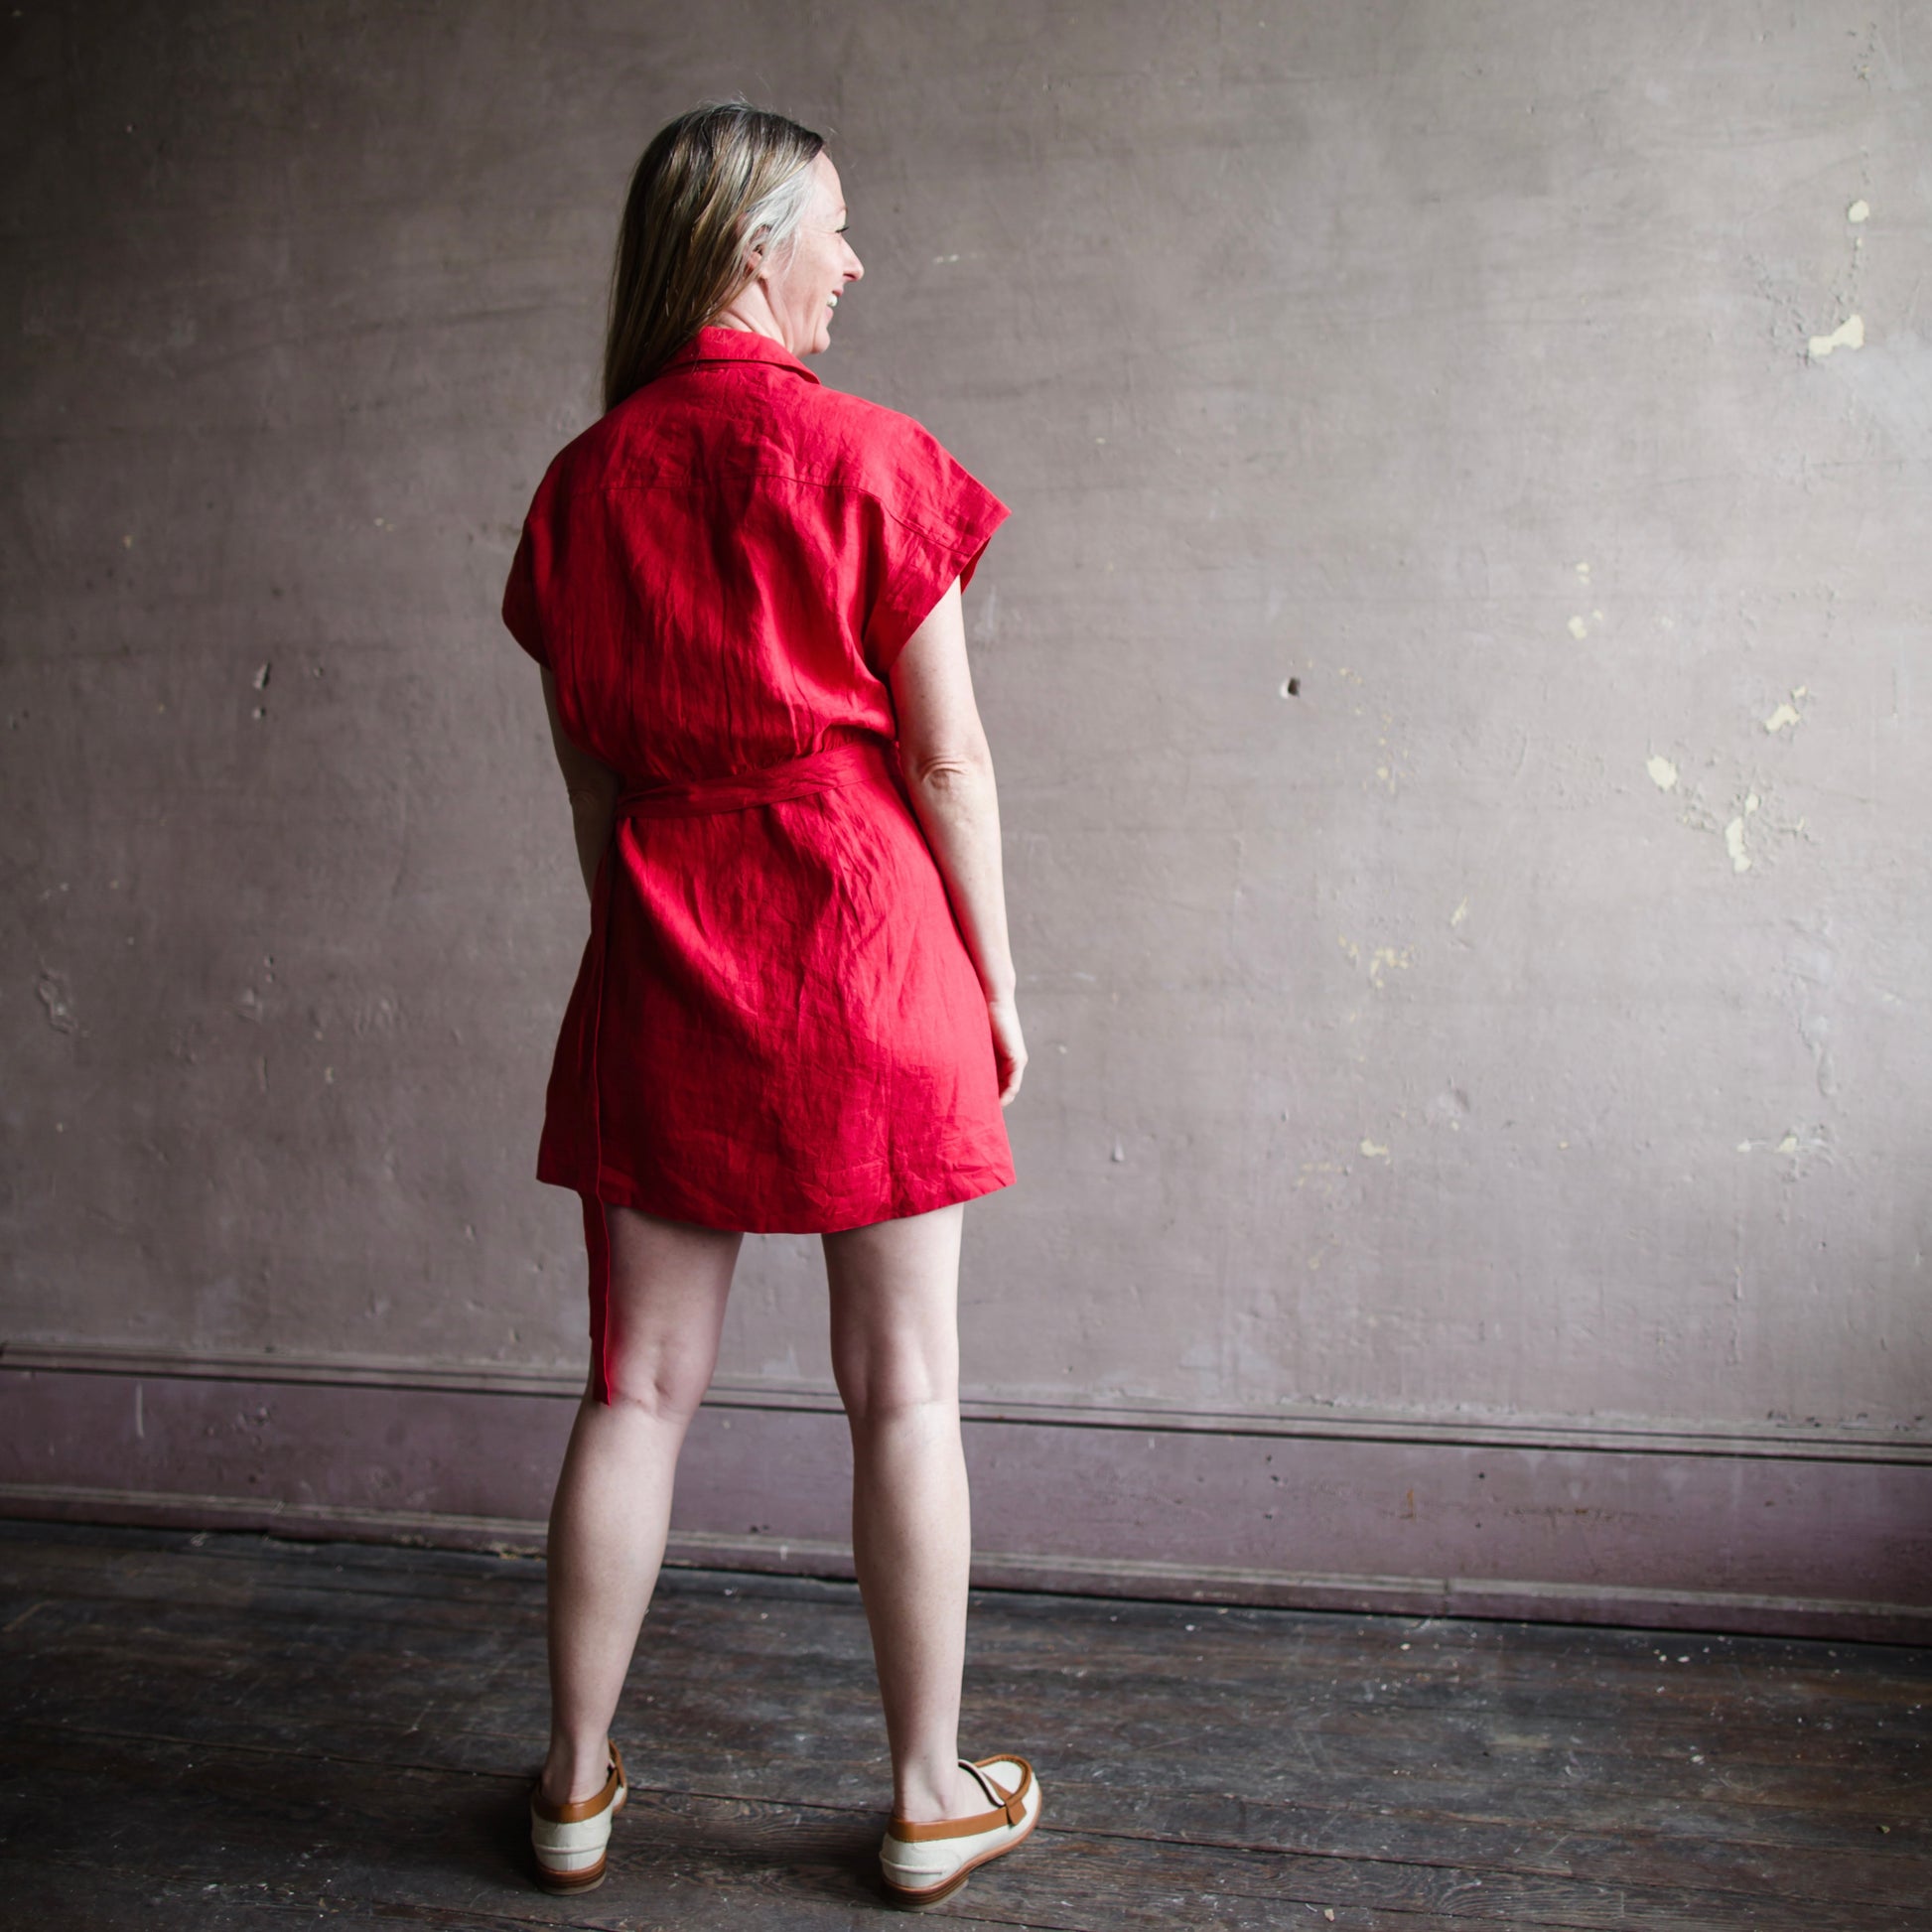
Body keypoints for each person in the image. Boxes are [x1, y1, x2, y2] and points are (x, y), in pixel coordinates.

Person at [499, 102, 1042, 1908]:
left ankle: (572, 1786)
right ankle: (922, 1790)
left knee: (636, 1390)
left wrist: (655, 947)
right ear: (752, 248)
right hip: (871, 949)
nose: (853, 264)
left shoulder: (582, 487)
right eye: (834, 231)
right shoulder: (876, 457)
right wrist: (995, 969)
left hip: (665, 937)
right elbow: (948, 765)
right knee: (904, 1392)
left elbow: (590, 790)